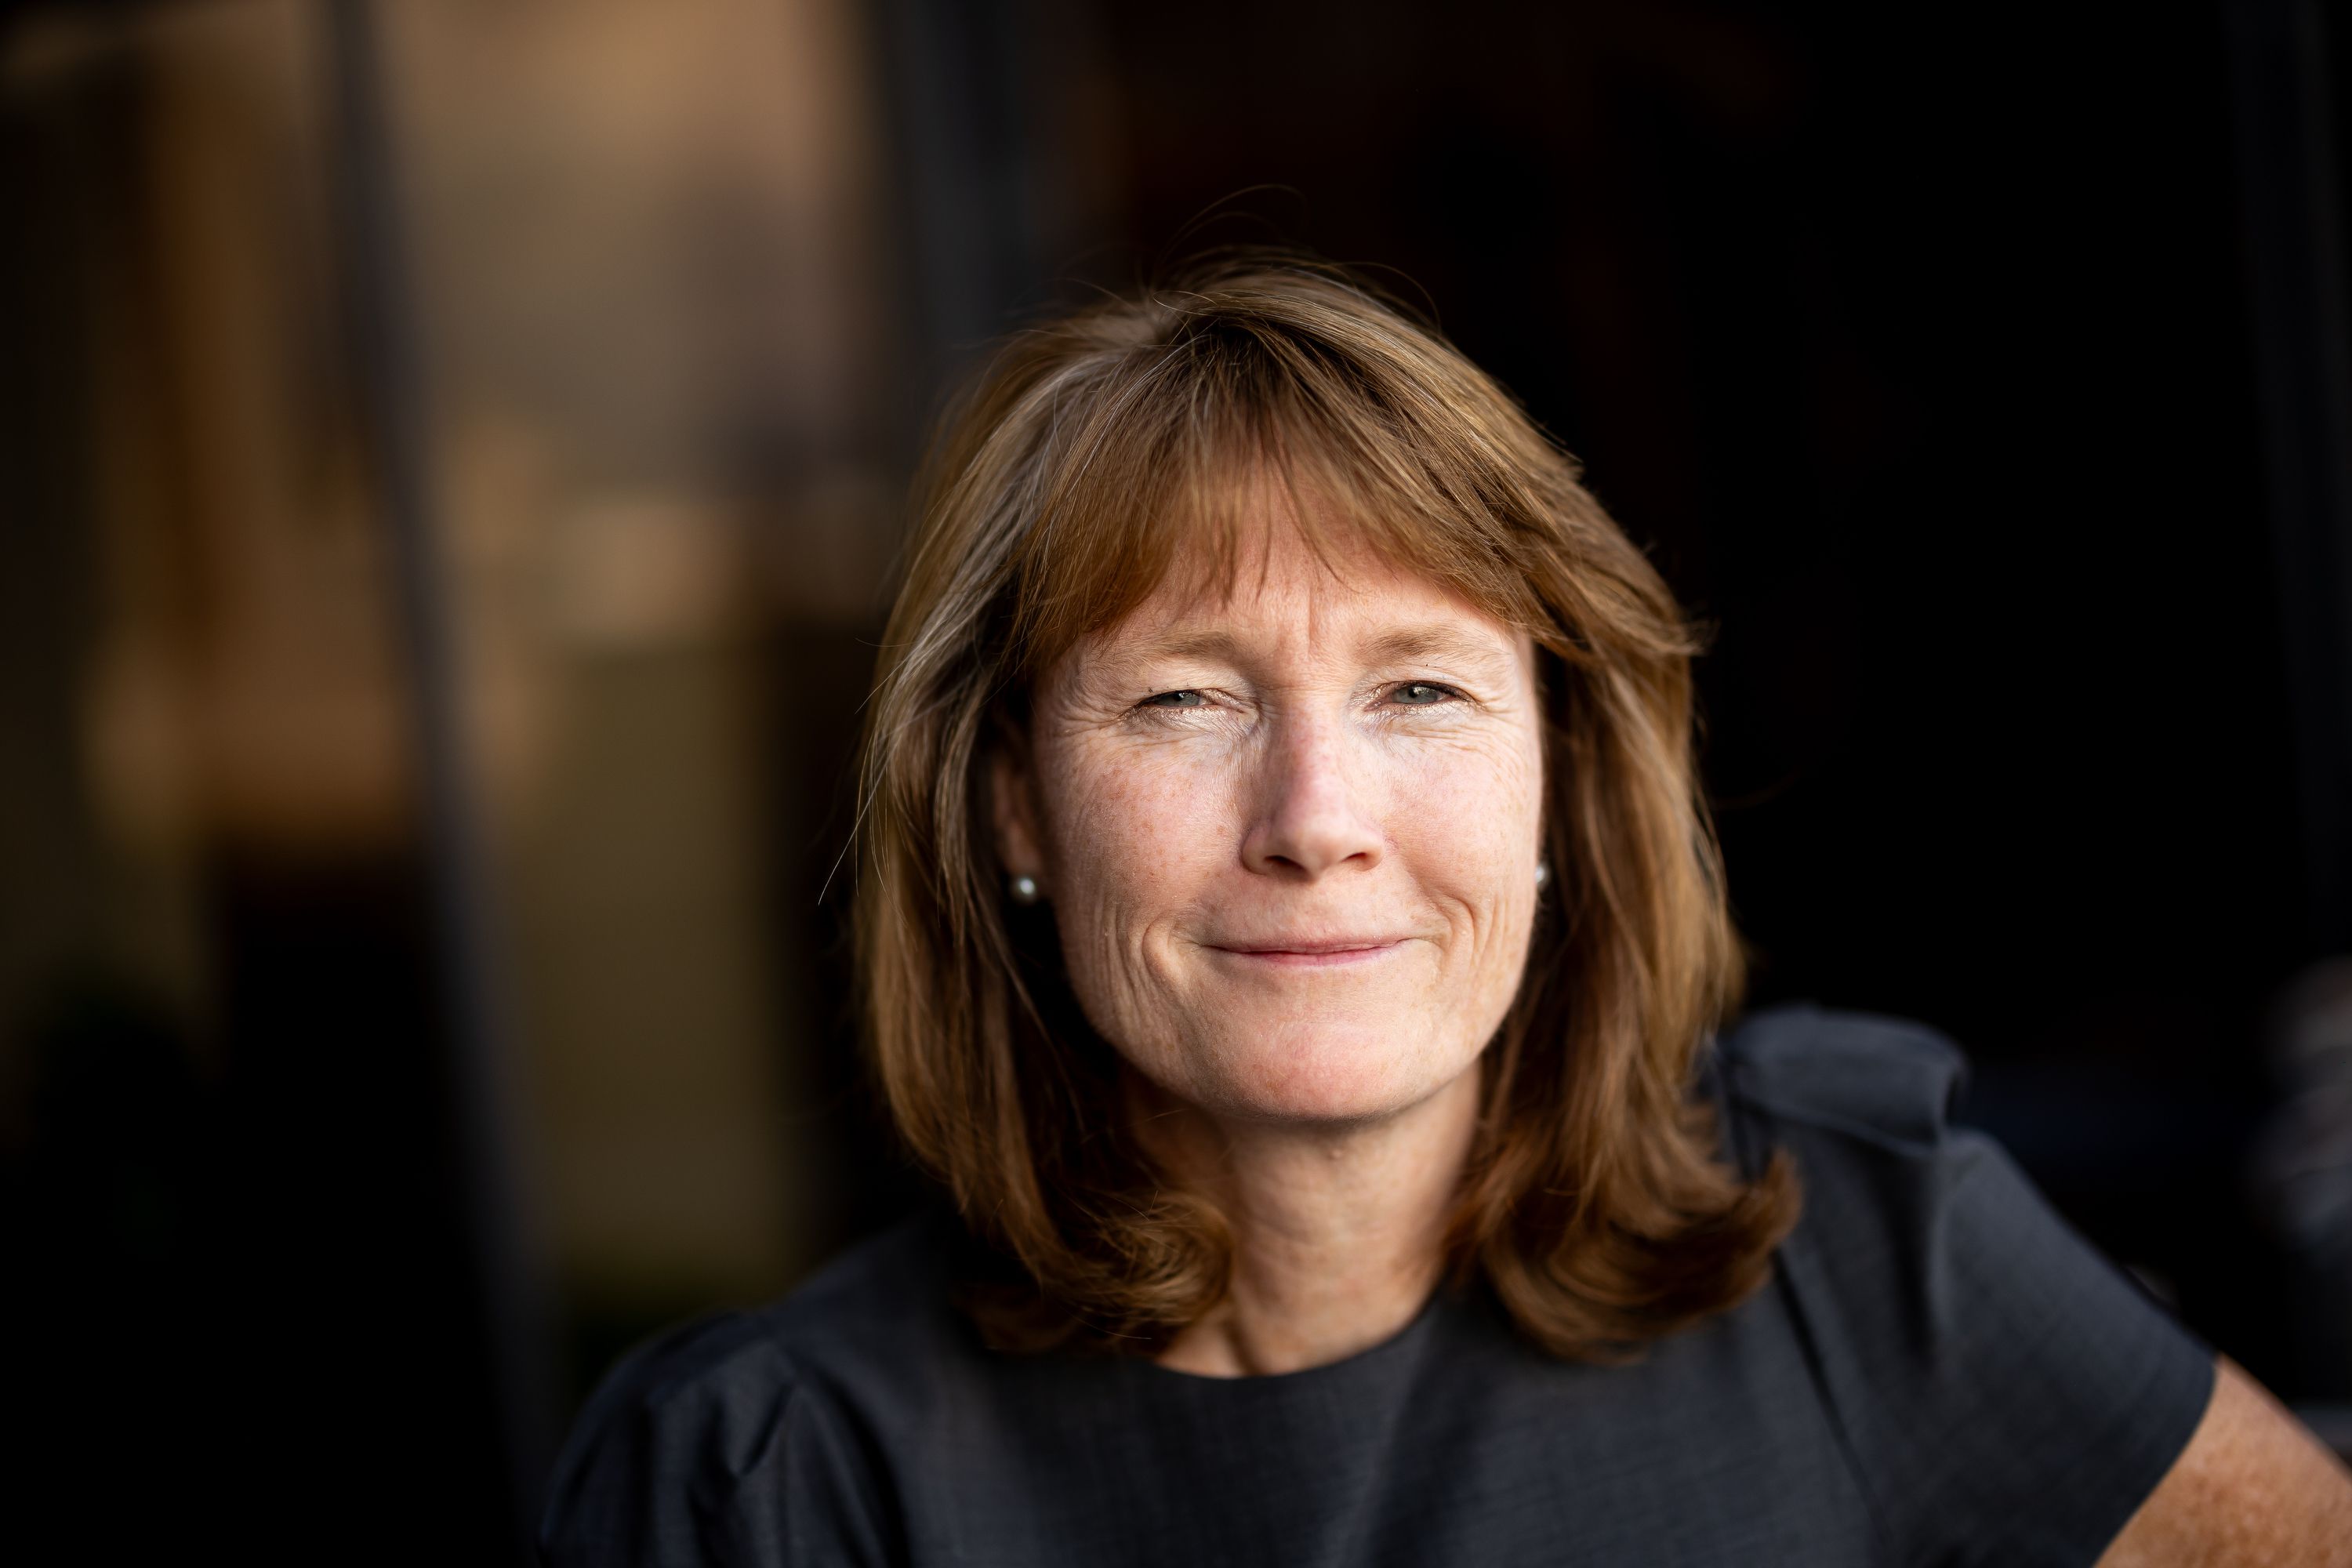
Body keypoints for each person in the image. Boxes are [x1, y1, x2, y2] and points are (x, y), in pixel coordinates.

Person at [539, 256, 2352, 1566]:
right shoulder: (774, 1487)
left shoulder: (1862, 1243)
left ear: (1558, 771)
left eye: (1419, 688)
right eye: (1186, 697)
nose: (1317, 821)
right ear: (1014, 801)